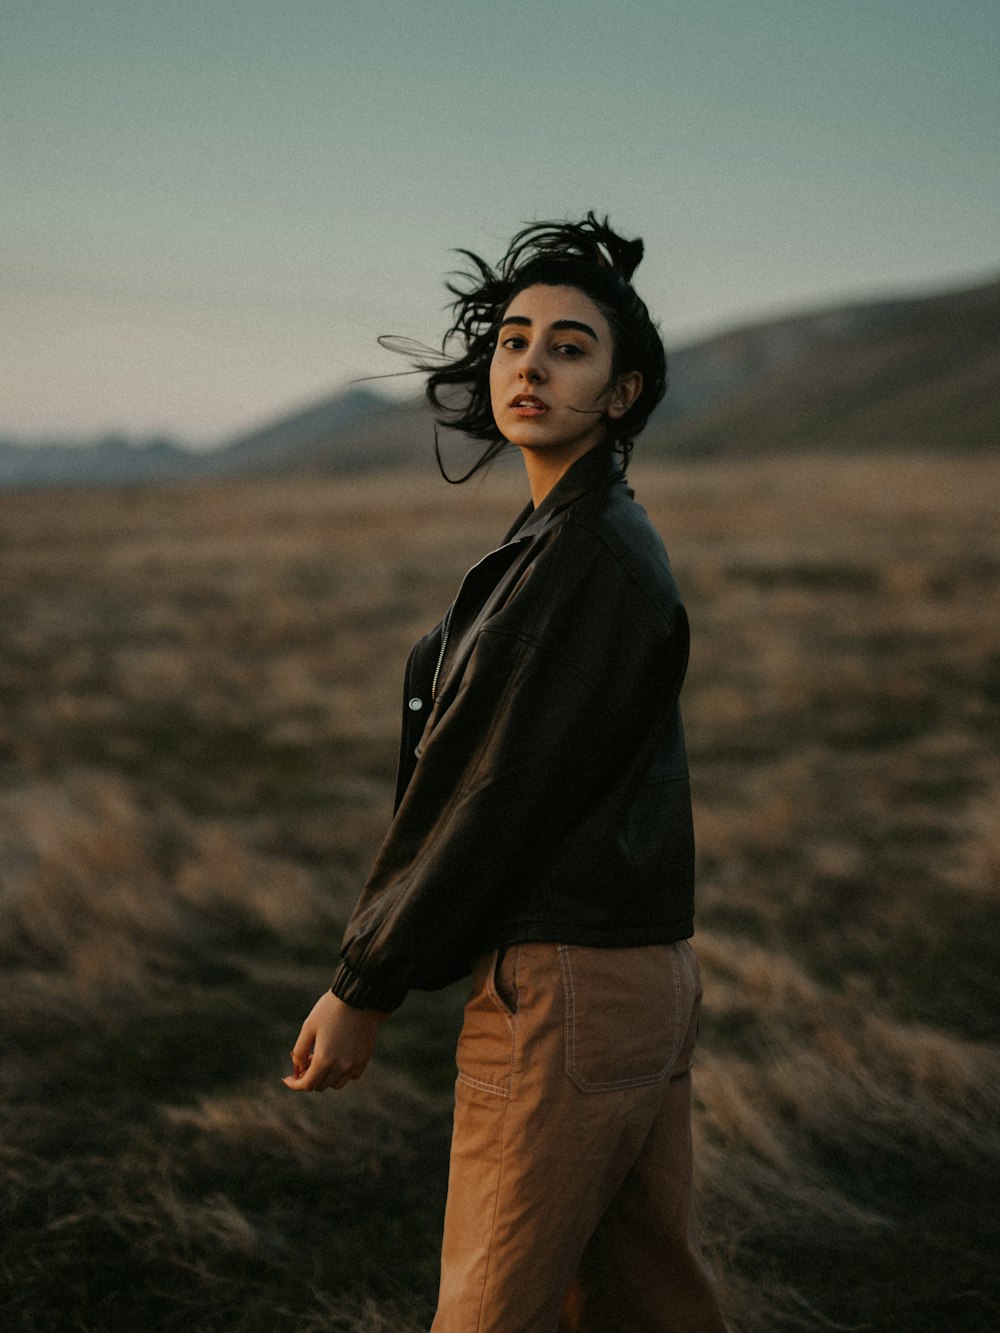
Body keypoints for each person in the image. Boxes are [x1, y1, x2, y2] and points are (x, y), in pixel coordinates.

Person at [283, 214, 729, 1333]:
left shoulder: (581, 552)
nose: (530, 362)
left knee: (492, 1308)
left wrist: (364, 980)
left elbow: (489, 792)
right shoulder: (573, 533)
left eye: (570, 346)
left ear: (622, 394)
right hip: (630, 975)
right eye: (516, 339)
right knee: (642, 1304)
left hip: (571, 983)